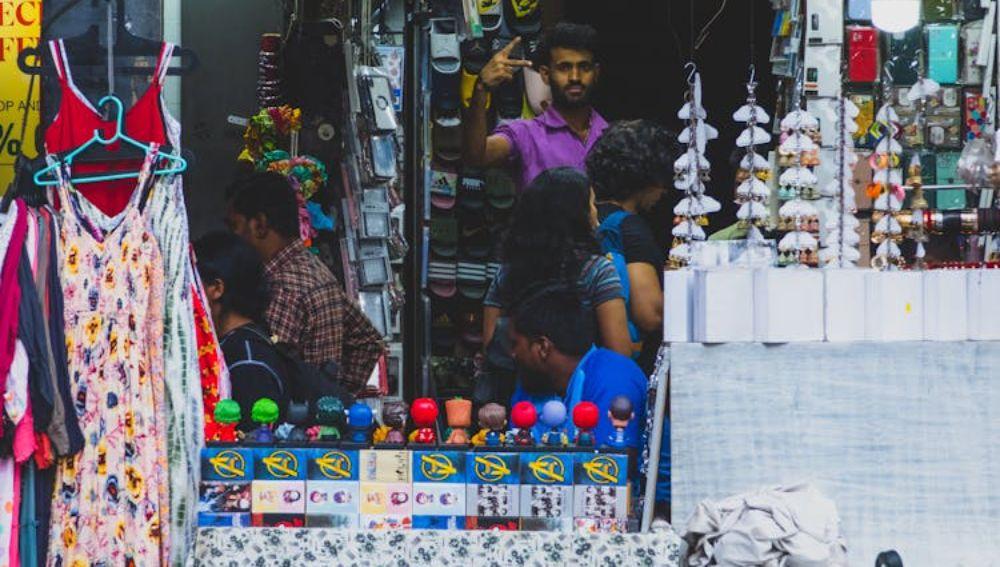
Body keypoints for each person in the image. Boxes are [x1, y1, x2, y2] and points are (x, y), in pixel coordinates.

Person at [226, 171, 384, 393]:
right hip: (317, 415)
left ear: (260, 225)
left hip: (289, 419)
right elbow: (367, 341)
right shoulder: (313, 269)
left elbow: (264, 366)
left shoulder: (282, 288)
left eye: (235, 226)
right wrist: (336, 395)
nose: (233, 238)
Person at [482, 167, 632, 358]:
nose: (596, 214)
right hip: (578, 385)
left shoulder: (508, 272)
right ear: (578, 215)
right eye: (592, 205)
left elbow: (490, 345)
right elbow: (619, 354)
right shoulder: (598, 272)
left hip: (518, 384)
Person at [464, 22, 608, 190]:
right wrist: (481, 88)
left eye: (584, 67)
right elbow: (476, 157)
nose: (575, 77)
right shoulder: (526, 134)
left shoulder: (609, 135)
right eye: (564, 67)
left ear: (596, 73)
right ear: (545, 74)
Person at [506, 287, 646, 455]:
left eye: (515, 344)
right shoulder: (533, 383)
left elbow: (609, 470)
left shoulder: (614, 379)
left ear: (543, 347)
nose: (512, 354)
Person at [587, 120, 677, 369]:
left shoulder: (587, 218)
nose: (664, 191)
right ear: (648, 178)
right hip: (625, 364)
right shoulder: (629, 227)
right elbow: (649, 314)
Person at [195, 231, 288, 430]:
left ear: (216, 289)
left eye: (193, 284)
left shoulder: (247, 362)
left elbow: (253, 448)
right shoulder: (241, 345)